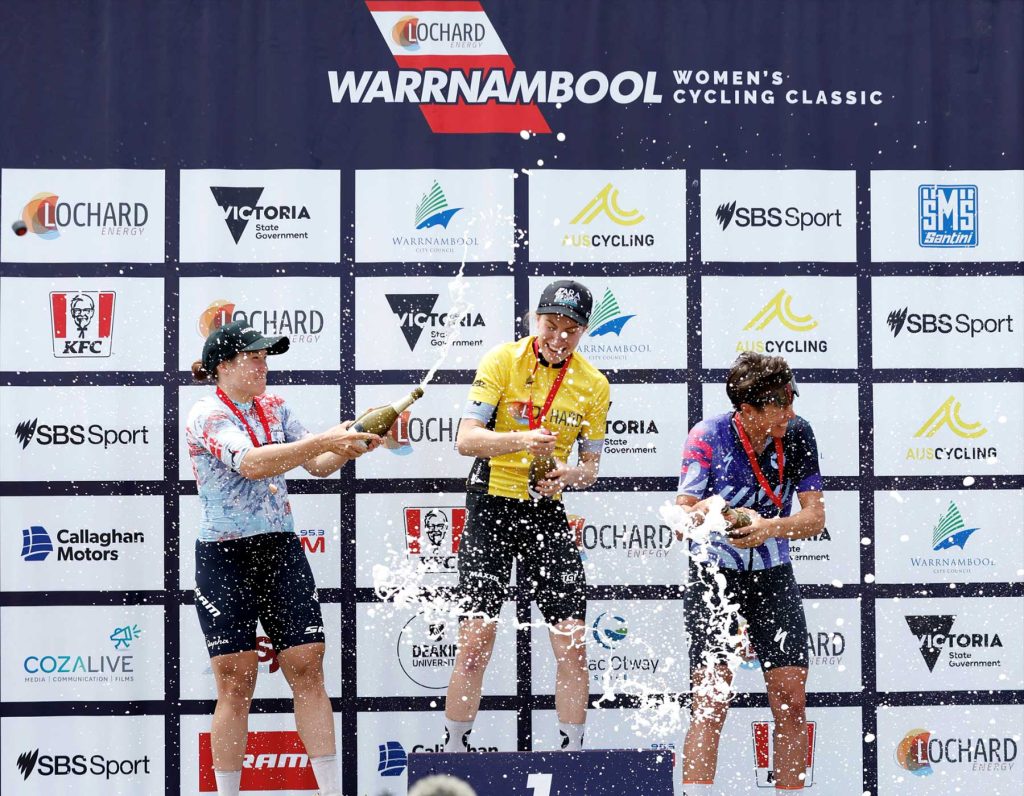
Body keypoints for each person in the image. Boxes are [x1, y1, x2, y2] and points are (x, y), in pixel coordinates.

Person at [186, 320, 380, 796]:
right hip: (224, 554)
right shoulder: (206, 413)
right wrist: (325, 440)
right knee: (235, 682)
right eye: (253, 357)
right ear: (224, 366)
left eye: (265, 356)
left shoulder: (276, 406)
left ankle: (332, 791)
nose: (263, 365)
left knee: (308, 666)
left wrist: (359, 441)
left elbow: (317, 465)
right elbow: (251, 463)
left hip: (279, 548)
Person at [442, 280, 611, 753]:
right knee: (476, 639)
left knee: (573, 640)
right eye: (550, 325)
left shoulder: (594, 385)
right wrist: (521, 440)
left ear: (584, 331)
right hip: (491, 504)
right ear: (534, 320)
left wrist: (566, 475)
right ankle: (455, 750)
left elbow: (591, 470)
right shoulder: (503, 360)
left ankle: (572, 753)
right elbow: (467, 441)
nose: (559, 338)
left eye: (571, 331)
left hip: (544, 510)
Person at [675, 352, 825, 794]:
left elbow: (814, 518)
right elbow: (682, 520)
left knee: (791, 701)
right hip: (714, 578)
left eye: (790, 400)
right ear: (748, 408)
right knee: (710, 702)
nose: (790, 412)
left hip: (772, 574)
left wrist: (769, 528)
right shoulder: (708, 435)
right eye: (779, 404)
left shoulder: (797, 433)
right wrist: (716, 511)